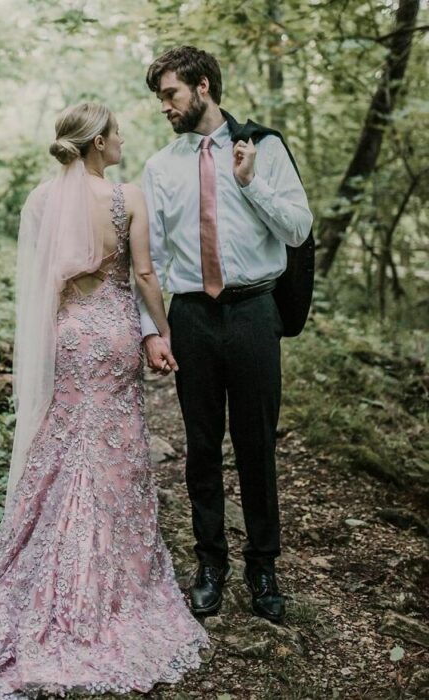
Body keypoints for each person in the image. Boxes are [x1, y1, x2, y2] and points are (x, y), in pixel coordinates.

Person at [0, 102, 208, 699]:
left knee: (66, 442)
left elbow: (42, 285)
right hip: (114, 331)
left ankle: (48, 568)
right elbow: (144, 276)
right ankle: (109, 584)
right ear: (96, 143)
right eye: (115, 133)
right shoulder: (127, 196)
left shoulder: (40, 201)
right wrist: (161, 333)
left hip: (69, 334)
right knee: (113, 449)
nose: (122, 140)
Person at [138, 46, 314, 624]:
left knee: (257, 443)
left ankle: (263, 565)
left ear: (204, 86)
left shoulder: (264, 147)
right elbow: (151, 256)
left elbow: (298, 228)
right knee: (202, 445)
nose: (164, 106)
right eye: (161, 97)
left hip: (253, 311)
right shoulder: (160, 166)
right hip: (190, 315)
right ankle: (210, 564)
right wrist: (152, 330)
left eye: (171, 94)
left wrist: (250, 183)